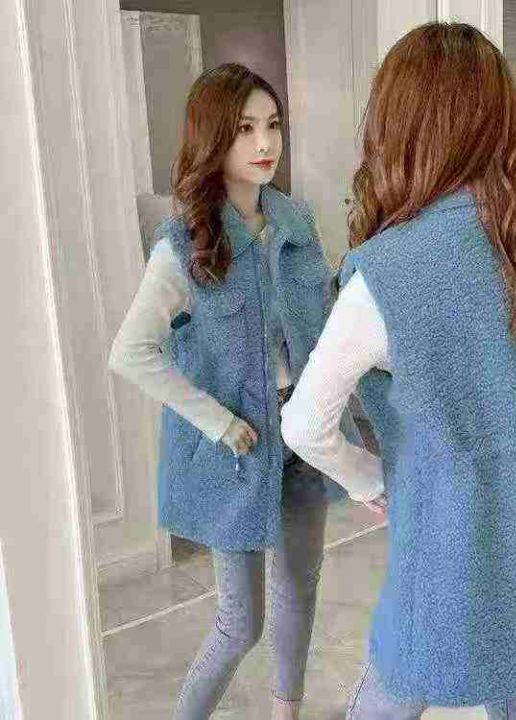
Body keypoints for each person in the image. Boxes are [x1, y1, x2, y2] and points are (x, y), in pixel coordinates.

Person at [281, 23, 516, 720]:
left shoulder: (384, 275)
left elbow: (304, 424)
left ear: (396, 125)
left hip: (449, 527)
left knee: (403, 676)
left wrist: (370, 479)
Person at [110, 63, 358, 720]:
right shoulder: (185, 245)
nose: (264, 143)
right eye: (245, 128)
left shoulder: (297, 223)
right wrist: (216, 421)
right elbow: (130, 353)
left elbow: (326, 323)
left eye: (272, 125)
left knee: (300, 590)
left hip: (302, 431)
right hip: (237, 449)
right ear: (214, 136)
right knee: (239, 623)